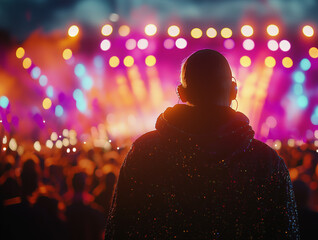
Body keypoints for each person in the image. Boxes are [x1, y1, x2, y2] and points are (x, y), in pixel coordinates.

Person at [105, 49, 299, 239]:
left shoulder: (145, 153)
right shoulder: (266, 162)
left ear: (181, 92)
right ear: (233, 91)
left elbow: (119, 229)